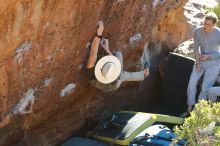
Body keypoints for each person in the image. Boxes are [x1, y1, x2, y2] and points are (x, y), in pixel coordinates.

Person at [86, 21, 149, 92]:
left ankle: (143, 74)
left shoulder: (91, 75)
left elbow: (93, 52)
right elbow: (131, 76)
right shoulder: (119, 76)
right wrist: (107, 49)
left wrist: (99, 34)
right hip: (114, 86)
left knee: (119, 60)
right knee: (119, 55)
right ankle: (144, 74)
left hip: (98, 83)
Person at [185, 12, 220, 115]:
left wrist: (209, 56)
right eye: (205, 23)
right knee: (192, 82)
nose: (206, 26)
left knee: (205, 88)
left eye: (209, 24)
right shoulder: (197, 31)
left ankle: (197, 111)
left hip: (215, 63)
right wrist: (197, 61)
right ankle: (190, 104)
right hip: (201, 60)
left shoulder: (219, 33)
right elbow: (196, 47)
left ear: (214, 25)